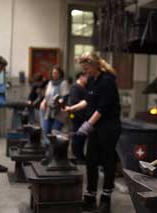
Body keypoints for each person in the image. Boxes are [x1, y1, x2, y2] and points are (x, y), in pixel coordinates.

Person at [65, 52, 121, 213]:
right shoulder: (92, 80)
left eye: (87, 68)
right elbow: (88, 101)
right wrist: (71, 108)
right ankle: (90, 197)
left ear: (95, 65)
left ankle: (105, 200)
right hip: (96, 127)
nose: (85, 71)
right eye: (83, 68)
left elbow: (102, 108)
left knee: (107, 162)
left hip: (109, 127)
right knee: (91, 161)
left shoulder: (107, 81)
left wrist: (87, 124)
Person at [40, 66, 70, 144]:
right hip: (49, 112)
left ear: (60, 74)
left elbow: (65, 96)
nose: (55, 75)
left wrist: (61, 101)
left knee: (55, 132)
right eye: (53, 73)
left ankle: (55, 152)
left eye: (56, 73)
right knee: (46, 131)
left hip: (59, 112)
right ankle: (48, 151)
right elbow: (47, 95)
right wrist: (44, 102)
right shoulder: (50, 83)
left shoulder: (63, 83)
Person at [68, 71, 88, 161]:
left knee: (81, 137)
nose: (88, 79)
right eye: (86, 77)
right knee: (77, 136)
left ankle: (80, 155)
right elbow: (74, 101)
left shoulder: (84, 87)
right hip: (77, 116)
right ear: (81, 77)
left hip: (83, 116)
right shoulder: (76, 87)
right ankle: (77, 156)